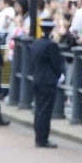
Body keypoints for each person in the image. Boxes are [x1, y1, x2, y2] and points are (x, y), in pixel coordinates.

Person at [29, 20, 64, 148]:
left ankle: (39, 136)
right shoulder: (51, 45)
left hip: (38, 78)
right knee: (45, 111)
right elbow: (56, 63)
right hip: (48, 81)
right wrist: (59, 75)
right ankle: (43, 139)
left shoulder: (36, 44)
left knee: (39, 109)